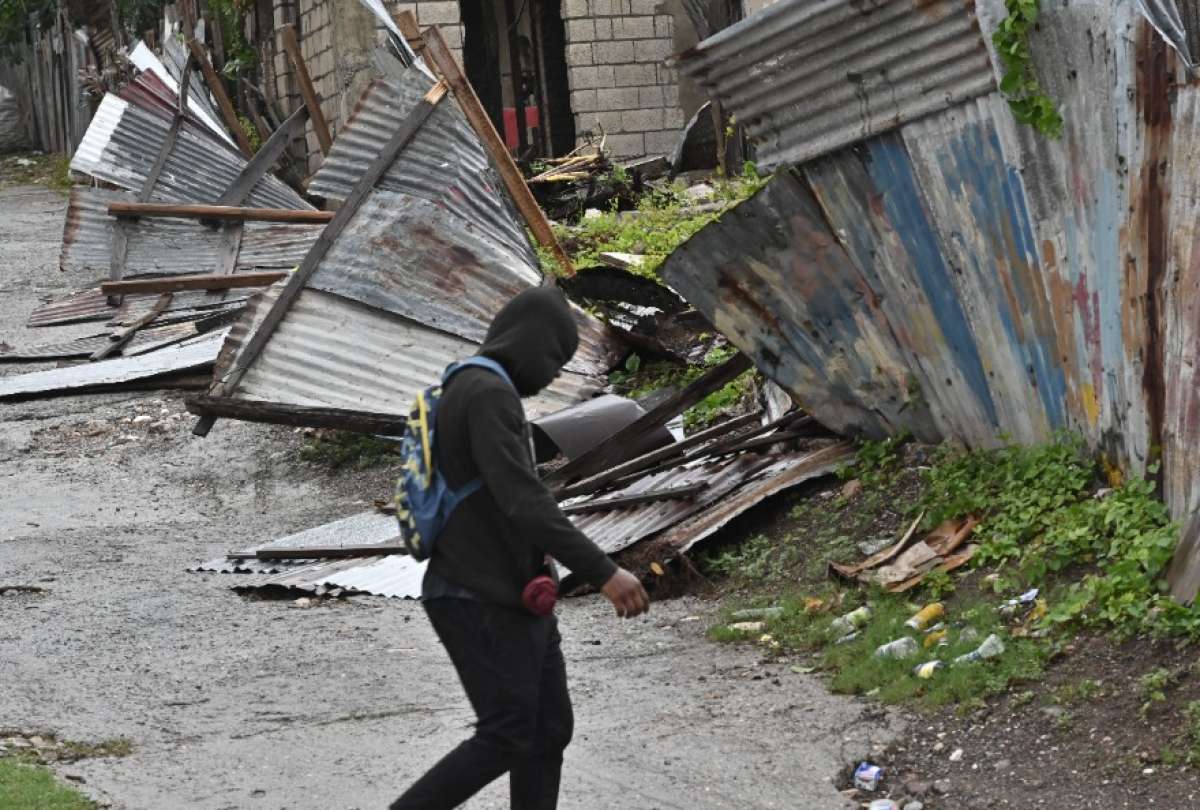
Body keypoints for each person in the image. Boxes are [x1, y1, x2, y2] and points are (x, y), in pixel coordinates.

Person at [390, 287, 650, 810]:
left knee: (548, 729)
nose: (555, 373)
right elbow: (522, 499)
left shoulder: (472, 388)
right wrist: (603, 572)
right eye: (555, 357)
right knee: (508, 732)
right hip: (475, 597)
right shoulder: (486, 393)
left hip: (512, 594)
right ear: (527, 342)